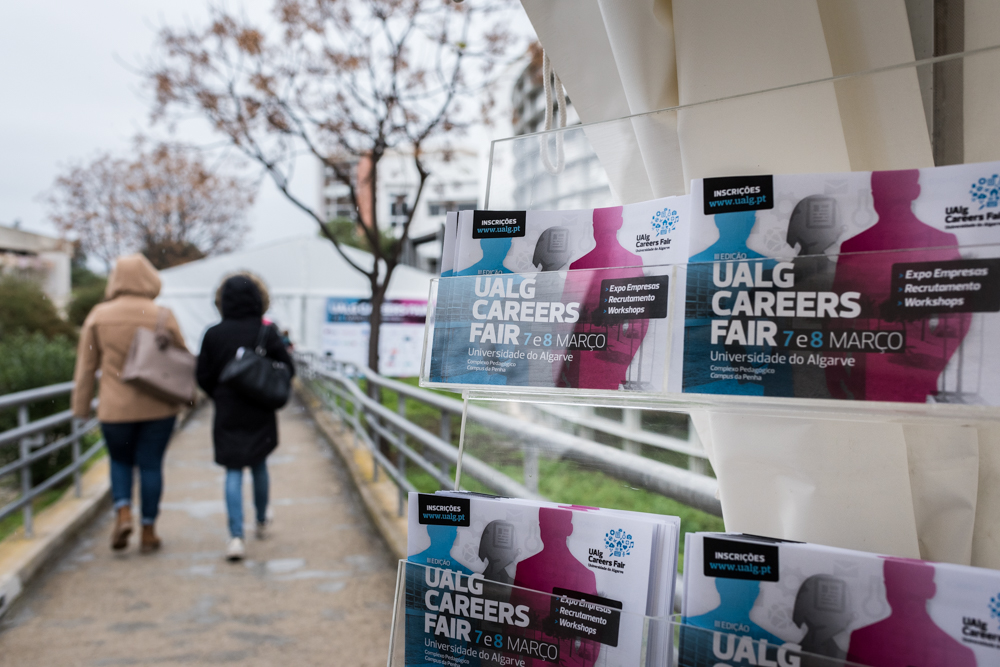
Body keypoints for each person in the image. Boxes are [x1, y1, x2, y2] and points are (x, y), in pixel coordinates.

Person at [72, 254, 189, 553]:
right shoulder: (162, 314)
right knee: (151, 466)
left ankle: (123, 512)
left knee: (120, 462)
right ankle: (148, 530)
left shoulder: (98, 315)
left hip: (115, 408)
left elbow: (86, 366)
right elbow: (182, 357)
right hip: (158, 407)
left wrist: (81, 407)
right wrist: (191, 396)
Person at [195, 273, 294, 561]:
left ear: (223, 300)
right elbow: (288, 368)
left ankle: (235, 536)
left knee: (233, 470)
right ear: (258, 298)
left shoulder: (213, 334)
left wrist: (221, 393)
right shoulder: (266, 331)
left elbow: (202, 375)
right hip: (259, 408)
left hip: (227, 410)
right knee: (259, 463)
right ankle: (261, 519)